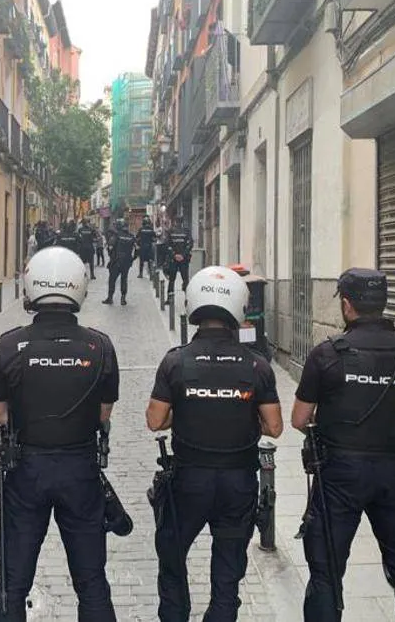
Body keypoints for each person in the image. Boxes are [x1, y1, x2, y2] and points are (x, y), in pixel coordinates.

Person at [292, 268, 395, 622]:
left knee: (326, 573)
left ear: (347, 305)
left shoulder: (326, 354)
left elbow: (298, 419)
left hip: (339, 475)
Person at [0, 247, 119, 621]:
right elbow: (104, 413)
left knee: (12, 583)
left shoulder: (9, 345)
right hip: (80, 469)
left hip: (25, 470)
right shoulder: (100, 346)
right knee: (91, 581)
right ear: (79, 287)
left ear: (31, 286)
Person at [146, 266, 284, 622]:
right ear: (239, 307)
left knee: (172, 559)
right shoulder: (257, 366)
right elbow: (274, 427)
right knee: (228, 573)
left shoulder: (175, 361)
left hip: (188, 481)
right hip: (238, 483)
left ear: (193, 304)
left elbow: (155, 420)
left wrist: (189, 408)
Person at [102, 219, 136, 306]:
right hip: (126, 262)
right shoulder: (131, 237)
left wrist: (111, 256)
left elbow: (110, 247)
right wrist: (132, 259)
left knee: (112, 279)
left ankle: (110, 298)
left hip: (116, 261)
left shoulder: (116, 235)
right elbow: (137, 249)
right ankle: (123, 299)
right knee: (124, 279)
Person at [165, 220, 194, 301]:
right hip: (183, 260)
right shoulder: (186, 231)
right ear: (182, 222)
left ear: (175, 222)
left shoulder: (171, 231)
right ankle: (187, 299)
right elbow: (190, 244)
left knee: (172, 280)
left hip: (173, 259)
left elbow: (167, 244)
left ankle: (169, 299)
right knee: (185, 279)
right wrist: (183, 255)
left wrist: (174, 255)